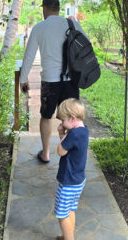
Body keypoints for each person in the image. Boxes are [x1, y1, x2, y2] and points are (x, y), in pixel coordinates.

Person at [19, 0, 88, 163]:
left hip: (50, 80)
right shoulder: (72, 24)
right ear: (58, 8)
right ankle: (72, 153)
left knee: (46, 116)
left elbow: (28, 56)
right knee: (73, 117)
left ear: (45, 8)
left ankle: (46, 154)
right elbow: (86, 45)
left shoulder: (40, 27)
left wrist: (23, 78)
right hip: (71, 79)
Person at [54, 98, 89, 240]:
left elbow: (61, 151)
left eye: (63, 121)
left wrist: (62, 135)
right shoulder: (84, 131)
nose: (62, 124)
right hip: (78, 180)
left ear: (72, 118)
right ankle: (67, 235)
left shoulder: (73, 134)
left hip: (68, 182)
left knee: (62, 215)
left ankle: (69, 238)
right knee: (70, 210)